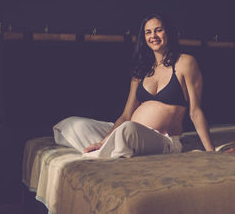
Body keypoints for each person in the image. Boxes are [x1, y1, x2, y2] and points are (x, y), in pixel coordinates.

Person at [53, 13, 214, 158]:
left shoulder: (185, 62)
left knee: (127, 131)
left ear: (168, 33)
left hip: (163, 140)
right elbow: (126, 115)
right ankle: (107, 148)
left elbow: (195, 112)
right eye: (148, 32)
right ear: (144, 37)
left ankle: (109, 150)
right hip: (130, 133)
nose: (153, 36)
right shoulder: (141, 70)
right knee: (72, 125)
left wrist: (211, 151)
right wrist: (104, 140)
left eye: (158, 30)